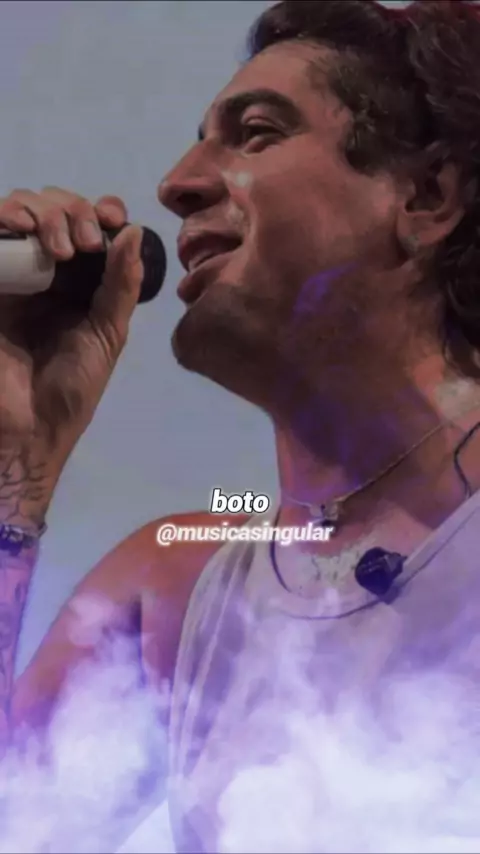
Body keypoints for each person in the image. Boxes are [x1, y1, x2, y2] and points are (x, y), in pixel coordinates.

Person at [1, 0, 480, 849]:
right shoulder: (170, 592)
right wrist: (16, 470)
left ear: (427, 195)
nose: (176, 183)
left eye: (256, 134)